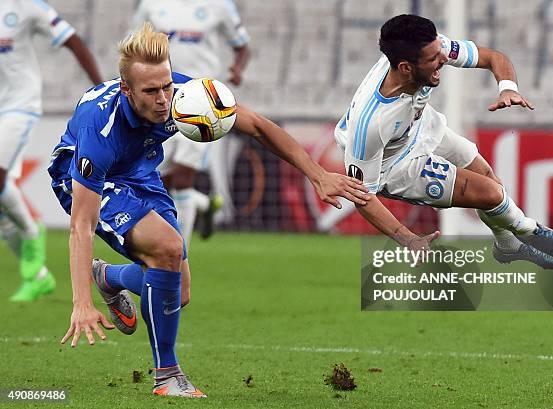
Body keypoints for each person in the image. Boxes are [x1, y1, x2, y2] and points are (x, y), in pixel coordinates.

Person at [48, 23, 368, 398]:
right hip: (88, 182)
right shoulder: (99, 132)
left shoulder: (185, 95)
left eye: (166, 86)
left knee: (178, 291)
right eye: (150, 91)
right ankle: (167, 376)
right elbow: (80, 227)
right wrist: (80, 304)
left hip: (139, 171)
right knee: (167, 249)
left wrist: (317, 175)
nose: (163, 99)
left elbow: (260, 127)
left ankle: (111, 276)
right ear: (126, 89)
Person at [334, 14, 553, 269]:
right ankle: (531, 231)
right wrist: (408, 239)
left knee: (488, 177)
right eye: (433, 59)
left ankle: (507, 247)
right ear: (406, 68)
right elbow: (361, 195)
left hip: (420, 125)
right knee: (491, 194)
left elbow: (493, 58)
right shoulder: (371, 125)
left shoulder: (431, 48)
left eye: (439, 51)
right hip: (395, 166)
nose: (443, 58)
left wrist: (508, 88)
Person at [1, 0, 103, 301]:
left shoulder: (26, 7)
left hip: (20, 105)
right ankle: (38, 276)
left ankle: (33, 233)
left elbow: (73, 41)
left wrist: (102, 87)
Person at [132, 0, 251, 244]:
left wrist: (237, 69)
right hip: (162, 101)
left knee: (183, 178)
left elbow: (242, 46)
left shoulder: (219, 6)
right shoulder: (151, 5)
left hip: (202, 102)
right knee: (160, 182)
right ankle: (205, 205)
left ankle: (178, 255)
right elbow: (134, 48)